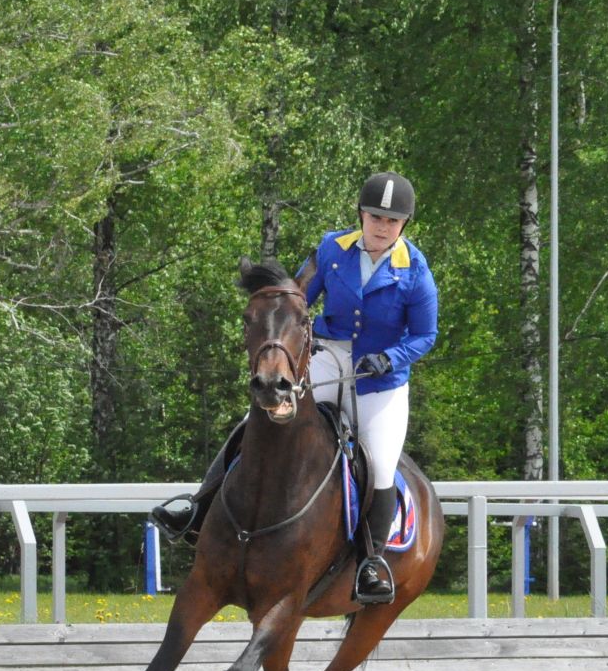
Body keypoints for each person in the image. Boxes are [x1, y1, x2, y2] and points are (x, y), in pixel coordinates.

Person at [150, 172, 438, 605]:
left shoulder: (415, 271)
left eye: (392, 221)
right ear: (361, 215)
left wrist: (390, 358)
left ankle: (372, 564)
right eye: (375, 216)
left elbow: (424, 335)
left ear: (404, 226)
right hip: (327, 356)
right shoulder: (330, 249)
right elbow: (298, 298)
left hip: (381, 378)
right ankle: (197, 508)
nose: (382, 226)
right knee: (257, 419)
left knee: (379, 463)